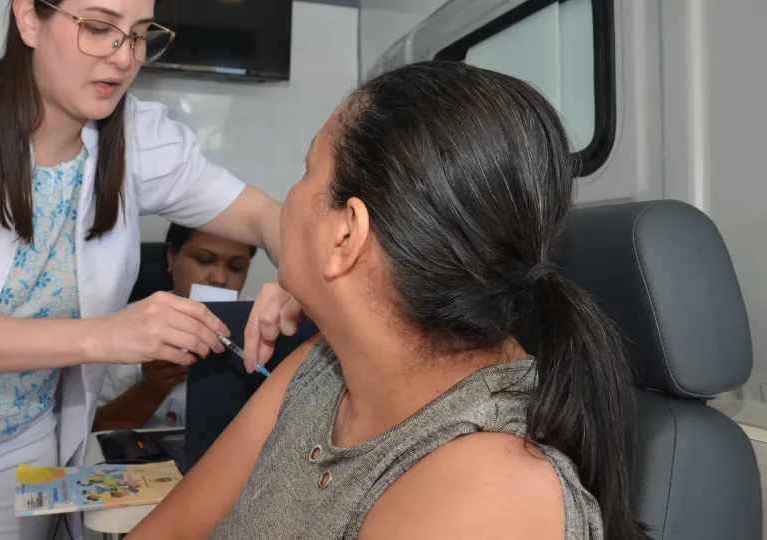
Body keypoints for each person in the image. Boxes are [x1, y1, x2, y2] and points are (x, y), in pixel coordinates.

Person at [0, 1, 295, 539]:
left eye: (138, 35)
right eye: (98, 27)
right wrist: (108, 336)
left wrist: (295, 274)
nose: (122, 57)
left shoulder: (137, 137)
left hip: (12, 442)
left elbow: (264, 217)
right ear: (29, 19)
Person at [127, 62, 647, 540]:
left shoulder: (495, 492)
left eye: (306, 171)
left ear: (346, 235)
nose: (287, 198)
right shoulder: (323, 369)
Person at [93, 223, 257, 431]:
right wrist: (151, 389)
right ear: (172, 256)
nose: (220, 279)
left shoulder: (258, 327)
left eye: (236, 267)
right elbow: (94, 431)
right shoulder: (125, 325)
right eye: (204, 260)